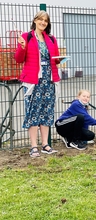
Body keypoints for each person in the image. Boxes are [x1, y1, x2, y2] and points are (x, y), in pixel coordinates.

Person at [14, 10, 62, 157]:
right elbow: (18, 59)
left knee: (47, 112)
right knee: (33, 112)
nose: (43, 23)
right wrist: (22, 47)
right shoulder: (26, 37)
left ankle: (45, 145)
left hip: (49, 80)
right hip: (33, 81)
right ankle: (33, 146)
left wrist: (60, 60)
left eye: (45, 21)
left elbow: (55, 58)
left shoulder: (52, 39)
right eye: (40, 20)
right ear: (35, 20)